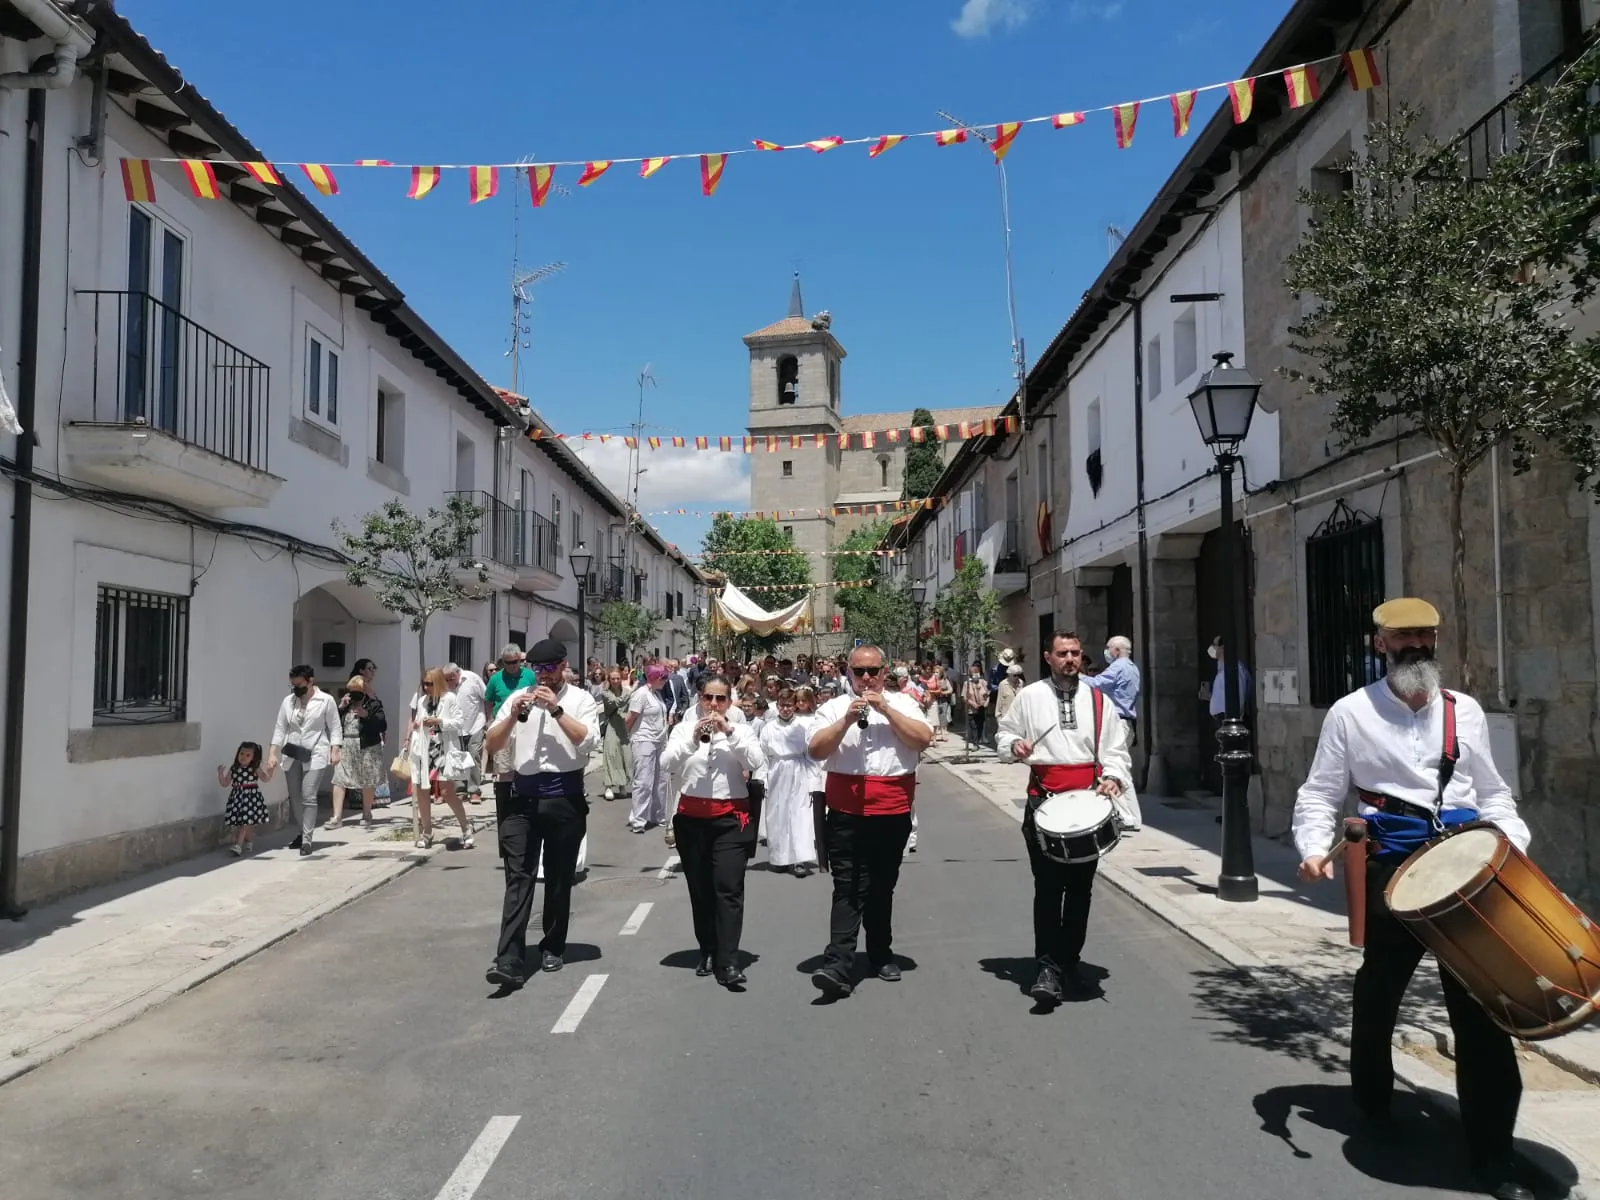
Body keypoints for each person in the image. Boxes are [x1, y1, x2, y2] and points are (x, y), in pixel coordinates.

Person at [1292, 598, 1534, 1200]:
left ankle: (1492, 1156)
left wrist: (1511, 846)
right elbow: (1321, 792)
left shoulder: (1465, 711)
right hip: (1392, 865)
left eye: (1425, 638)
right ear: (1380, 645)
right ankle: (1373, 1102)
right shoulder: (1351, 713)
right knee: (1380, 989)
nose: (1416, 648)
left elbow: (1495, 794)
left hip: (1463, 870)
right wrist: (1313, 846)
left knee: (1480, 1006)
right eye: (1403, 640)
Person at [996, 631, 1134, 1004]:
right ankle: (1046, 967)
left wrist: (1112, 777)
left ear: (1082, 657)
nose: (1069, 659)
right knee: (1047, 888)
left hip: (1087, 806)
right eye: (1062, 653)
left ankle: (1069, 962)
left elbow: (1116, 750)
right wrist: (1015, 745)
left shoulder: (1099, 700)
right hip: (1044, 803)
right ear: (1048, 657)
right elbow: (1004, 735)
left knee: (1080, 891)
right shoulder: (1029, 696)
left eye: (1075, 653)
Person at [806, 644, 935, 997]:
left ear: (884, 672)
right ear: (848, 673)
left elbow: (923, 739)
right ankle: (838, 964)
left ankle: (880, 953)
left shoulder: (905, 703)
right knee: (847, 886)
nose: (866, 678)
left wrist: (887, 710)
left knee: (881, 886)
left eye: (873, 671)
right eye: (859, 672)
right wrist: (847, 719)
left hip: (891, 812)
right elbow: (816, 749)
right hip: (846, 812)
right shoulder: (833, 707)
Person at [484, 638, 601, 987]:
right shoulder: (518, 698)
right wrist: (513, 716)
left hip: (564, 797)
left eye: (549, 669)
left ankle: (553, 944)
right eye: (537, 669)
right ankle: (509, 959)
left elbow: (588, 741)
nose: (543, 676)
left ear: (563, 667)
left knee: (558, 877)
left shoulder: (581, 700)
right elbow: (492, 743)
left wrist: (556, 711)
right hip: (522, 797)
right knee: (518, 876)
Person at [660, 674, 767, 987]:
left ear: (729, 702)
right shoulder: (682, 728)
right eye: (709, 697)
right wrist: (693, 740)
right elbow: (667, 763)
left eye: (721, 699)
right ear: (699, 697)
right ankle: (707, 948)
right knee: (701, 890)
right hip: (692, 819)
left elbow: (756, 760)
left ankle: (728, 960)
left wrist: (729, 732)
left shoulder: (742, 729)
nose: (714, 704)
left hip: (732, 818)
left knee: (728, 887)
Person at [267, 665, 342, 857]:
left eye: (299, 685)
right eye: (293, 685)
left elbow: (334, 726)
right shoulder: (288, 702)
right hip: (292, 751)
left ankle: (307, 840)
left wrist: (335, 749)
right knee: (295, 796)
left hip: (316, 750)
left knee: (308, 794)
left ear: (311, 681)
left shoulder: (326, 700)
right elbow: (280, 727)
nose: (295, 689)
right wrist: (272, 753)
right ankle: (302, 832)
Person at [403, 667, 474, 850]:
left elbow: (459, 722)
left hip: (443, 749)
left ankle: (466, 828)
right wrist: (418, 726)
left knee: (446, 792)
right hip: (424, 750)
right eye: (424, 684)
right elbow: (417, 721)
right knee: (421, 791)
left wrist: (439, 722)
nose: (426, 687)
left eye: (430, 683)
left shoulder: (449, 698)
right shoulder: (422, 701)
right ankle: (427, 832)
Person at [1083, 635, 1142, 831]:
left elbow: (1097, 683)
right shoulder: (1132, 667)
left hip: (1117, 722)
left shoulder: (1119, 666)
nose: (1106, 651)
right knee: (1121, 769)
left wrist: (1077, 675)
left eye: (1109, 648)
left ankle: (1128, 816)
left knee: (1114, 768)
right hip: (1125, 721)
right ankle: (1130, 816)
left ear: (1117, 650)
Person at [759, 688, 818, 877]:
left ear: (795, 706)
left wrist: (813, 780)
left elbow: (811, 755)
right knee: (778, 815)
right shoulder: (768, 727)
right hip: (776, 771)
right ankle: (780, 857)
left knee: (799, 814)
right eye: (782, 706)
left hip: (798, 770)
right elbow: (763, 755)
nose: (785, 709)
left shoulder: (803, 726)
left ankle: (799, 858)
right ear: (777, 706)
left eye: (789, 705)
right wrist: (762, 779)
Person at [484, 645, 535, 822]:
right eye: (508, 663)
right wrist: (490, 721)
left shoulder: (529, 676)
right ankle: (506, 800)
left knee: (524, 764)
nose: (513, 666)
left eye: (516, 662)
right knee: (504, 767)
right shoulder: (495, 679)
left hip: (525, 725)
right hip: (504, 726)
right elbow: (489, 701)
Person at [328, 675, 386, 829]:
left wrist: (366, 716)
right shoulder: (346, 705)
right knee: (339, 779)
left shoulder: (373, 704)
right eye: (351, 691)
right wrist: (340, 707)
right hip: (346, 745)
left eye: (357, 690)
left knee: (367, 780)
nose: (354, 694)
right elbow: (333, 723)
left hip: (366, 747)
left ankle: (366, 813)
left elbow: (382, 724)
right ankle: (336, 817)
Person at [625, 664, 672, 833]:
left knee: (661, 779)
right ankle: (638, 819)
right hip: (644, 740)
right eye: (663, 678)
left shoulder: (656, 695)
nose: (666, 681)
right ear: (655, 678)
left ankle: (658, 815)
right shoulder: (641, 694)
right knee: (644, 781)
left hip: (660, 740)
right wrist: (627, 737)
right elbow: (630, 718)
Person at [445, 662, 489, 804]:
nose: (448, 682)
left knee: (474, 755)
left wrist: (488, 720)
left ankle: (474, 790)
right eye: (446, 679)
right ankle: (460, 789)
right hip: (456, 727)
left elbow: (486, 697)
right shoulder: (447, 685)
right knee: (458, 757)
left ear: (457, 673)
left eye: (451, 679)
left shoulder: (472, 678)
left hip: (475, 724)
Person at [219, 742, 272, 856]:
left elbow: (265, 778)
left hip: (251, 798)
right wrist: (220, 774)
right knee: (242, 822)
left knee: (244, 821)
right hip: (237, 797)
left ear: (253, 758)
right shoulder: (234, 768)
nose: (243, 757)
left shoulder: (254, 768)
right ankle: (249, 840)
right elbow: (225, 783)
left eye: (248, 755)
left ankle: (238, 846)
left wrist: (271, 770)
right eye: (242, 753)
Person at [597, 668, 634, 802]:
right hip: (612, 727)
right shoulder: (605, 693)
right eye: (613, 678)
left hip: (624, 727)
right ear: (609, 680)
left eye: (618, 678)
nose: (616, 681)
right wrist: (631, 693)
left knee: (625, 756)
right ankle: (608, 786)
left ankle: (622, 785)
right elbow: (616, 703)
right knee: (611, 756)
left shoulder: (627, 692)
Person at [962, 662, 991, 750]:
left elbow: (988, 694)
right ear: (970, 675)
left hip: (982, 708)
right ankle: (975, 744)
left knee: (980, 726)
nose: (975, 675)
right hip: (972, 709)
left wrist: (986, 703)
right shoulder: (967, 684)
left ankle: (977, 740)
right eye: (973, 673)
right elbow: (965, 697)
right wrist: (973, 704)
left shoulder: (983, 682)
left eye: (977, 673)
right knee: (973, 726)